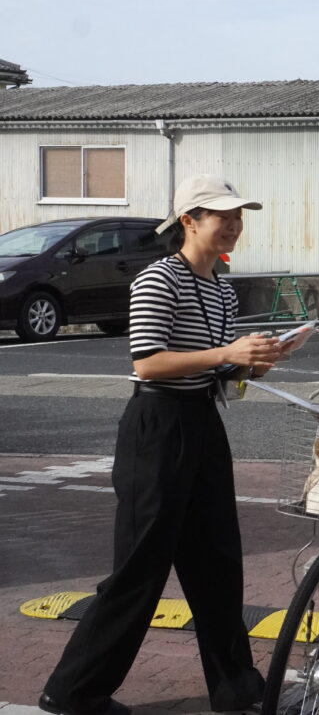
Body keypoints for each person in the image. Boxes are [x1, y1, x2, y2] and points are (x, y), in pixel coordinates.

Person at [41, 175, 285, 715]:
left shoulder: (220, 285)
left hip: (201, 421)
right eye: (224, 215)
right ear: (189, 220)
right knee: (140, 565)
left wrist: (250, 360)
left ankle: (237, 687)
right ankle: (74, 691)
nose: (235, 225)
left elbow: (217, 367)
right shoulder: (159, 278)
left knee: (217, 559)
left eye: (240, 215)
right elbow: (147, 361)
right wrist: (227, 350)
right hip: (156, 425)